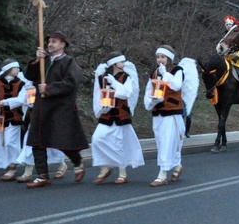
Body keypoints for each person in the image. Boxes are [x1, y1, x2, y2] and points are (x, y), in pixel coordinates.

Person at [25, 31, 90, 188]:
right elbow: (29, 75)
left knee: (61, 140)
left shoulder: (69, 62)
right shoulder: (44, 61)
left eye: (54, 41)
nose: (50, 44)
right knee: (37, 141)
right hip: (42, 107)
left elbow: (72, 82)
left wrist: (49, 88)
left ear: (63, 44)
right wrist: (35, 60)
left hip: (60, 107)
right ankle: (42, 175)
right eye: (49, 41)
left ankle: (77, 161)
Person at [144, 45, 198, 187]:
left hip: (172, 113)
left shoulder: (177, 71)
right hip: (158, 113)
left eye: (163, 57)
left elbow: (176, 85)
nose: (160, 60)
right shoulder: (154, 73)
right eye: (158, 57)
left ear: (169, 58)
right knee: (162, 143)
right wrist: (151, 101)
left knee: (168, 143)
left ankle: (162, 174)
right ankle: (177, 166)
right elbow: (148, 90)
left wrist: (166, 74)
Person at [91, 52, 145, 184]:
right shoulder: (102, 77)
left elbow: (125, 93)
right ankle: (105, 167)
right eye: (121, 61)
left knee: (119, 143)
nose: (124, 63)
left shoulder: (126, 77)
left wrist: (114, 83)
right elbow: (98, 94)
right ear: (115, 64)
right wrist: (101, 108)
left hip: (121, 115)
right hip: (107, 114)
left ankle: (123, 173)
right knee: (97, 138)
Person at [0, 59, 29, 181]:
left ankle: (13, 166)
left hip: (14, 116)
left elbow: (22, 99)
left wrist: (5, 102)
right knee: (1, 142)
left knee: (11, 141)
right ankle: (6, 165)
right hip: (0, 116)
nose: (18, 70)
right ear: (9, 70)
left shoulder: (21, 83)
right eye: (15, 68)